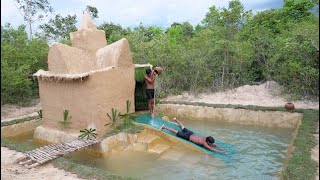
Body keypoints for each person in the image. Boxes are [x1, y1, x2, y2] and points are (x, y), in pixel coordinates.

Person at [159, 118, 226, 154]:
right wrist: (221, 152)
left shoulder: (206, 138)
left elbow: (214, 145)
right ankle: (164, 127)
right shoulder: (204, 143)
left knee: (182, 127)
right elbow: (211, 149)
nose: (211, 144)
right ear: (208, 142)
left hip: (190, 133)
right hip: (187, 136)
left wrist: (222, 148)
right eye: (210, 143)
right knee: (175, 132)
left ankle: (175, 119)